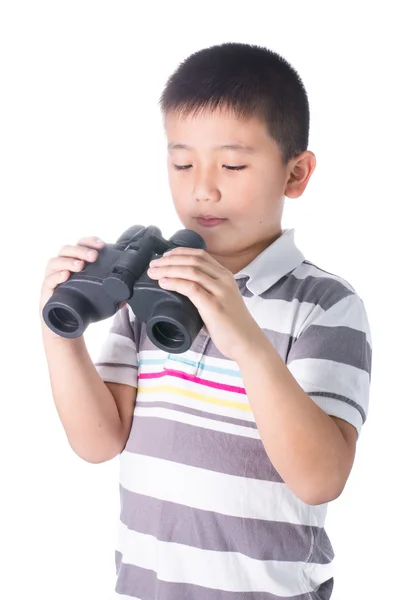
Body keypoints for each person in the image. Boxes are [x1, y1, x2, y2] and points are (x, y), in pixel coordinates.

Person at [40, 42, 372, 599]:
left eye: (234, 165)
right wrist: (60, 332)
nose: (202, 188)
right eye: (182, 163)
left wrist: (243, 337)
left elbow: (320, 480)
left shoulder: (325, 304)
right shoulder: (152, 289)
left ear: (296, 173)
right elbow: (98, 442)